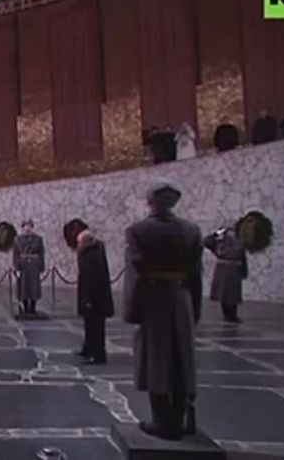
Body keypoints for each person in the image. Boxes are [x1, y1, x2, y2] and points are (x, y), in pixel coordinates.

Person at [123, 179, 203, 440]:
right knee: (182, 358)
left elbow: (136, 274)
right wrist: (195, 308)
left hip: (154, 300)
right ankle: (178, 418)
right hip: (182, 298)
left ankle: (161, 420)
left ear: (150, 202)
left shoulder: (139, 231)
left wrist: (132, 310)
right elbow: (196, 275)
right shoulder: (191, 230)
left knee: (155, 359)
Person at [75, 230, 113, 364]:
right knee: (89, 325)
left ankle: (97, 354)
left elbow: (92, 280)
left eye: (79, 242)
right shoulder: (91, 253)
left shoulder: (91, 256)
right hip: (92, 297)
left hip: (95, 299)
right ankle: (88, 348)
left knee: (96, 328)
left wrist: (89, 300)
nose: (78, 244)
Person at [204, 226, 248, 323]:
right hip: (222, 269)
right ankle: (227, 314)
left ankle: (232, 314)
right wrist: (216, 233)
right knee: (223, 293)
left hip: (234, 269)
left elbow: (243, 258)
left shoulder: (239, 242)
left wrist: (244, 271)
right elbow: (206, 241)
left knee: (233, 294)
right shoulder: (219, 243)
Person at [13, 220, 45, 315]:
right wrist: (17, 268)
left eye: (29, 226)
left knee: (34, 286)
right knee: (23, 287)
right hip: (23, 266)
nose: (27, 228)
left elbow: (41, 253)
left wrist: (41, 267)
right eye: (25, 226)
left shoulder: (38, 239)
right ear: (23, 228)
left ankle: (33, 307)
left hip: (34, 266)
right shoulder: (18, 240)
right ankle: (25, 306)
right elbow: (16, 255)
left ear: (32, 227)